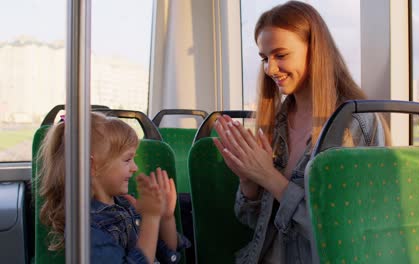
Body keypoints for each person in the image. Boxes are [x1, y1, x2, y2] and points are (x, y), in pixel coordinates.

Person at [213, 1, 390, 263]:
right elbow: (254, 224)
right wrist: (249, 181)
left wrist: (269, 177)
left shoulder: (357, 124)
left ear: (315, 51)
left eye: (281, 55)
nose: (270, 69)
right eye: (264, 58)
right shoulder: (275, 122)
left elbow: (353, 230)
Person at [37, 112, 190, 263]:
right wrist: (150, 218)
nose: (135, 168)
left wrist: (165, 217)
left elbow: (166, 253)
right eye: (128, 159)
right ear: (91, 166)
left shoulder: (126, 204)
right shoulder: (86, 228)